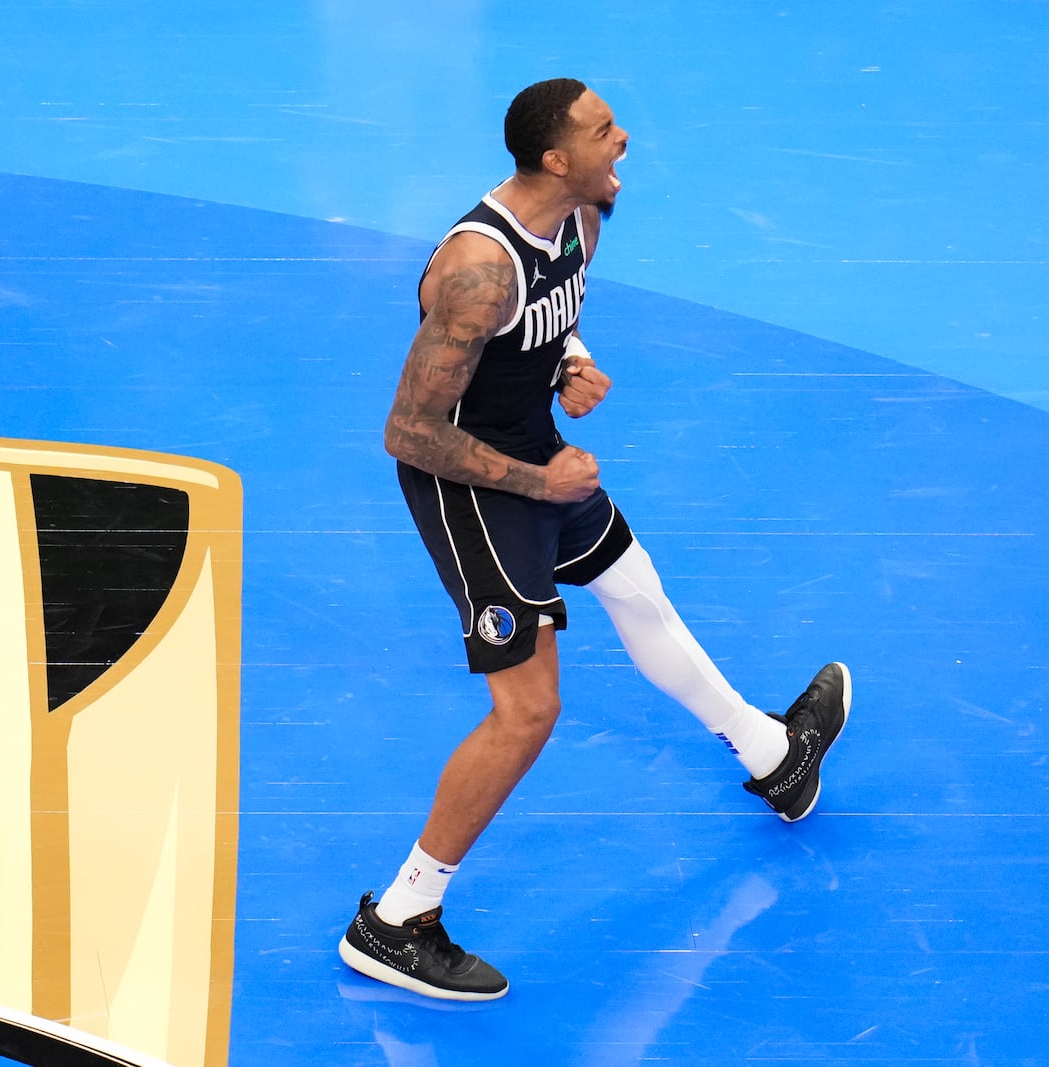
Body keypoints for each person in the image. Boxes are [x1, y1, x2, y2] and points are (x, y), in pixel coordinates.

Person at [338, 78, 850, 1002]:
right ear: (553, 158)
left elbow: (555, 318)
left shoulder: (582, 223)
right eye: (604, 131)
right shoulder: (477, 269)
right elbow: (410, 430)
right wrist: (542, 480)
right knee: (528, 711)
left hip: (535, 451)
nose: (624, 141)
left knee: (631, 584)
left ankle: (774, 757)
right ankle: (396, 920)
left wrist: (569, 363)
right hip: (472, 484)